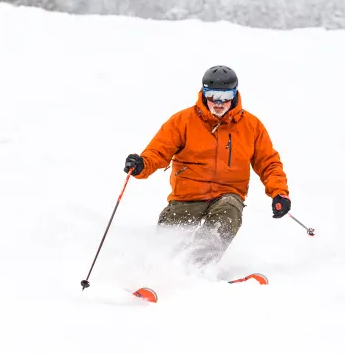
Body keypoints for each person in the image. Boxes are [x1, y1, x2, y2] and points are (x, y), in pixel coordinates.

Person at [123, 65, 290, 265]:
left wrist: (279, 193)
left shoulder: (251, 126)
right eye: (212, 95)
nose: (218, 102)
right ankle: (157, 272)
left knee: (228, 212)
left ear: (235, 94)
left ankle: (197, 269)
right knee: (170, 239)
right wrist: (142, 164)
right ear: (203, 93)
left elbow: (269, 163)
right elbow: (158, 151)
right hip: (187, 196)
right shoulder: (183, 121)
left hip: (227, 194)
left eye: (225, 95)